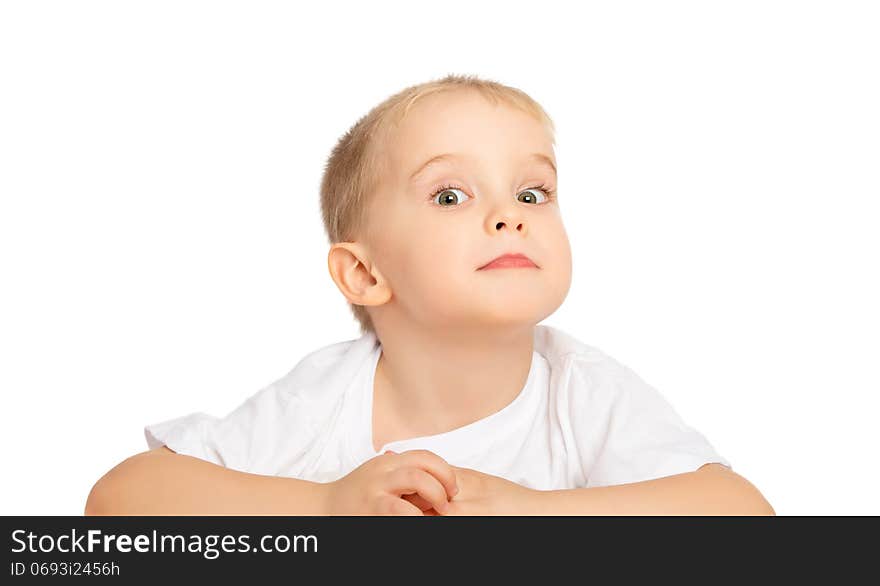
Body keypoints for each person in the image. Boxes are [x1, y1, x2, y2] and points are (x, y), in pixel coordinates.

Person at [85, 74, 774, 516]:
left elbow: (742, 515)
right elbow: (121, 500)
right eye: (450, 195)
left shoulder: (579, 392)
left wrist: (525, 512)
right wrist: (326, 506)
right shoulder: (328, 398)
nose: (513, 215)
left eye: (532, 192)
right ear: (364, 275)